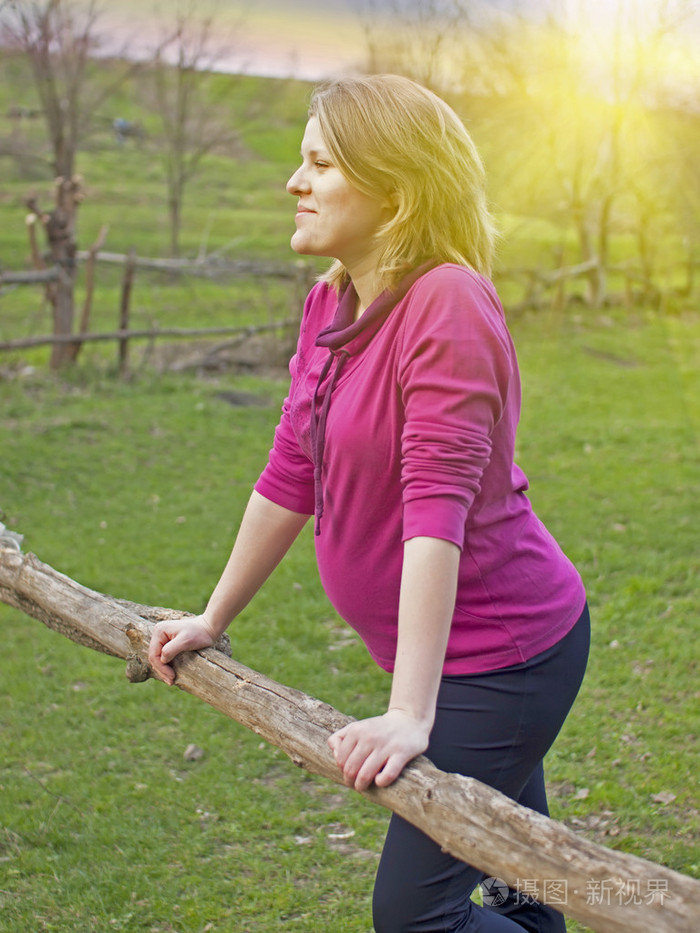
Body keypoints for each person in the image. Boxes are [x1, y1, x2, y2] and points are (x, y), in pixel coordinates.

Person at [148, 74, 590, 933]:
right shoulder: (332, 302)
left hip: (501, 659)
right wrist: (212, 615)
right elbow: (290, 472)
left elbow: (438, 508)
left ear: (396, 192)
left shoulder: (447, 302)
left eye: (320, 160)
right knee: (519, 879)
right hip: (460, 660)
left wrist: (408, 711)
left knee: (417, 917)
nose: (294, 180)